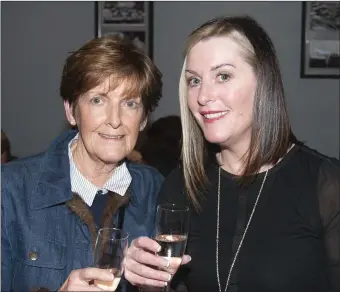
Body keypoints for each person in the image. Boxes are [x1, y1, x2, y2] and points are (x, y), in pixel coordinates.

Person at [124, 16, 340, 292]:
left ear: (263, 81)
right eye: (194, 81)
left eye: (223, 76)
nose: (203, 96)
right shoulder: (182, 186)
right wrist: (148, 283)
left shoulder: (325, 185)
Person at [1, 35, 164, 292]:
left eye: (129, 103)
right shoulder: (9, 190)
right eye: (98, 100)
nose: (114, 120)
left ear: (143, 119)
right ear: (71, 110)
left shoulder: (155, 189)